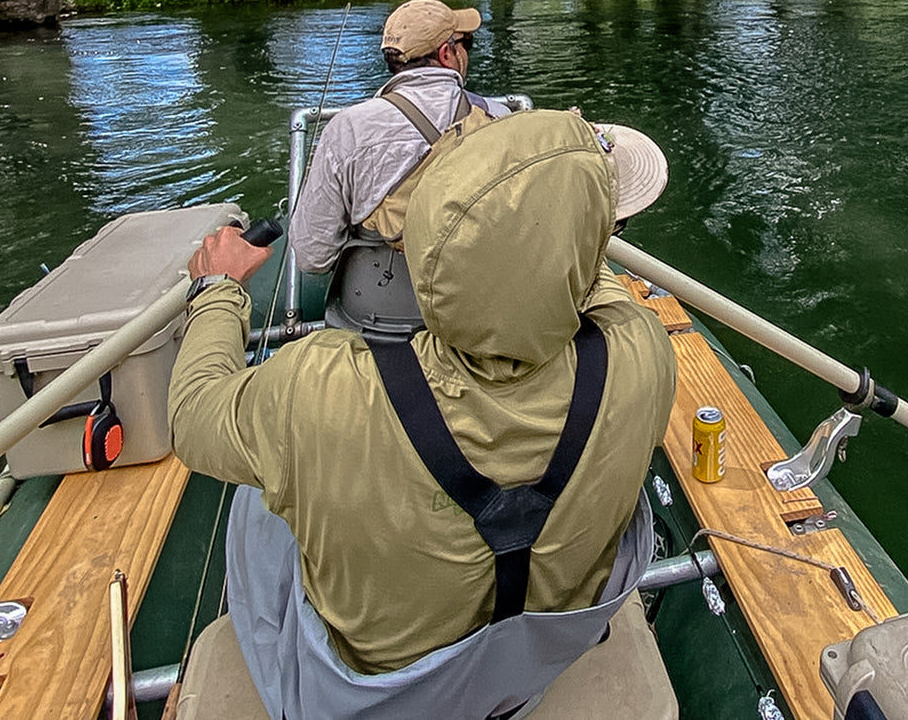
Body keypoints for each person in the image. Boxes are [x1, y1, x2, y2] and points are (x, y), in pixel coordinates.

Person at [170, 110, 676, 719]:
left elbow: (194, 415)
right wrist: (561, 225)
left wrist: (218, 291)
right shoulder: (643, 353)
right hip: (526, 681)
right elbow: (595, 287)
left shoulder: (317, 386)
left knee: (258, 497)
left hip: (372, 702)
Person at [288, 0, 510, 274]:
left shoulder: (346, 129)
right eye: (466, 45)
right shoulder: (498, 117)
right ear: (445, 54)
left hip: (372, 307)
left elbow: (313, 256)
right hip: (475, 296)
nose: (466, 53)